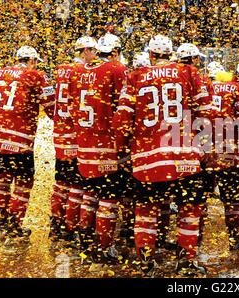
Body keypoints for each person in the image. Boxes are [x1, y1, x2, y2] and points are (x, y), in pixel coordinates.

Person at [113, 35, 212, 276]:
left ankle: (146, 260)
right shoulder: (188, 72)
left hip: (147, 157)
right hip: (183, 154)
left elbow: (123, 119)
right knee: (190, 208)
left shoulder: (135, 76)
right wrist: (204, 146)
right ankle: (186, 261)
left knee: (146, 211)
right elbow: (207, 113)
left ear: (150, 55)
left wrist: (122, 150)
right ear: (172, 53)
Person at [68, 33, 128, 269]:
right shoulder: (116, 69)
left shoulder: (79, 71)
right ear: (114, 52)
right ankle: (102, 248)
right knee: (108, 199)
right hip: (106, 143)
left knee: (89, 193)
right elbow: (123, 109)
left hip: (84, 141)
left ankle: (84, 241)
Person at [0, 46, 55, 242]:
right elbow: (51, 107)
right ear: (33, 61)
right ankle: (15, 226)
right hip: (17, 138)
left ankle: (1, 226)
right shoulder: (36, 75)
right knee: (24, 181)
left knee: (1, 180)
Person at [49, 36, 97, 242]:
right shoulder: (82, 72)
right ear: (85, 51)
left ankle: (56, 223)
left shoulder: (62, 69)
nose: (95, 56)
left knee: (61, 183)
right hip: (76, 135)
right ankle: (71, 228)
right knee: (77, 185)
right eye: (93, 51)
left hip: (60, 134)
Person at [203, 61, 239, 251]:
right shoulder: (234, 87)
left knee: (199, 200)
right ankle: (234, 239)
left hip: (205, 150)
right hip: (231, 150)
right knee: (234, 199)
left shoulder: (201, 85)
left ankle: (195, 240)